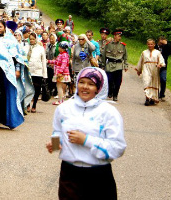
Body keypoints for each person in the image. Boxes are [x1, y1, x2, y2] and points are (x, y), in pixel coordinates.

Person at [46, 67, 126, 199]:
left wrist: (86, 140)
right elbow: (58, 131)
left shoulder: (109, 113)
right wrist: (54, 144)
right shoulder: (64, 108)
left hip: (99, 176)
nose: (85, 87)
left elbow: (118, 147)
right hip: (69, 175)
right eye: (82, 82)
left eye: (91, 84)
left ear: (99, 88)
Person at [136, 39, 166, 105]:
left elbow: (161, 60)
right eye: (149, 44)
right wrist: (139, 70)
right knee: (147, 82)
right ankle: (147, 98)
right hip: (146, 68)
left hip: (155, 68)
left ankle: (153, 98)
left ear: (154, 44)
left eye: (151, 44)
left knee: (154, 83)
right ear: (147, 44)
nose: (150, 45)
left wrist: (160, 64)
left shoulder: (158, 52)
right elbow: (141, 61)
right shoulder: (144, 52)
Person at [101, 29, 128, 102]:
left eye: (120, 36)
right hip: (109, 65)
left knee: (118, 81)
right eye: (119, 36)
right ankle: (110, 91)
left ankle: (115, 95)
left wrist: (125, 66)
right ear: (115, 36)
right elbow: (104, 56)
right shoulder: (108, 45)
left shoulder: (122, 45)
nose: (120, 38)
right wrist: (103, 65)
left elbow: (125, 56)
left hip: (119, 65)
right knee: (109, 80)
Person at [26, 32, 47, 113]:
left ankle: (34, 104)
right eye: (30, 39)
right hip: (28, 71)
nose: (31, 41)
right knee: (28, 88)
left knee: (37, 89)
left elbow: (43, 61)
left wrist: (44, 74)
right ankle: (27, 104)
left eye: (33, 39)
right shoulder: (25, 47)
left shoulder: (40, 48)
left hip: (38, 71)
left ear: (36, 39)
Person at [155, 36, 171, 101]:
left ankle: (162, 94)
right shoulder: (154, 47)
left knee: (163, 79)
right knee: (155, 80)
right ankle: (154, 94)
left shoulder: (166, 48)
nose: (161, 42)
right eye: (161, 40)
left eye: (163, 41)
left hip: (163, 67)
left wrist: (166, 44)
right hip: (154, 66)